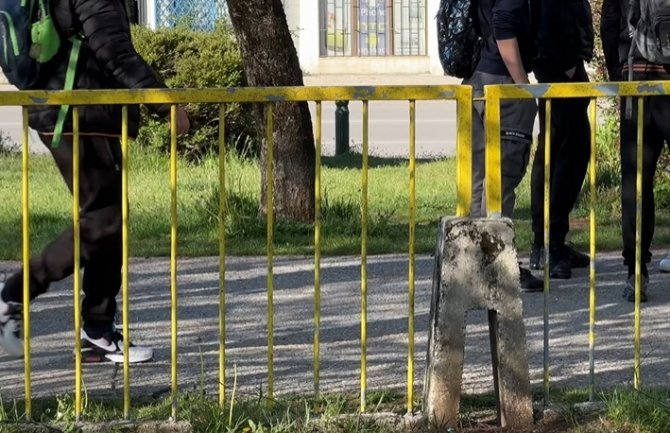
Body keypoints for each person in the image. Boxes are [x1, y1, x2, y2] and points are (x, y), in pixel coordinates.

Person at [0, 0, 190, 360]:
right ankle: (12, 296)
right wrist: (166, 103)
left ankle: (98, 332)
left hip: (76, 110)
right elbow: (114, 51)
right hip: (77, 113)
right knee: (102, 222)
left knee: (110, 220)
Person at [466, 0, 543, 292]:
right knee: (501, 178)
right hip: (501, 84)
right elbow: (504, 27)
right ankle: (497, 265)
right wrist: (523, 87)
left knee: (478, 179)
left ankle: (473, 265)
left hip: (475, 80)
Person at [601, 0, 670, 302]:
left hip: (636, 79)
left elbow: (608, 24)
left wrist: (618, 76)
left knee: (636, 181)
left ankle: (636, 271)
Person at [527, 0, 593, 279]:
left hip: (559, 62)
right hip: (557, 64)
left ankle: (549, 242)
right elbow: (553, 15)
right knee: (564, 153)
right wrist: (567, 65)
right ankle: (550, 244)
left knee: (559, 151)